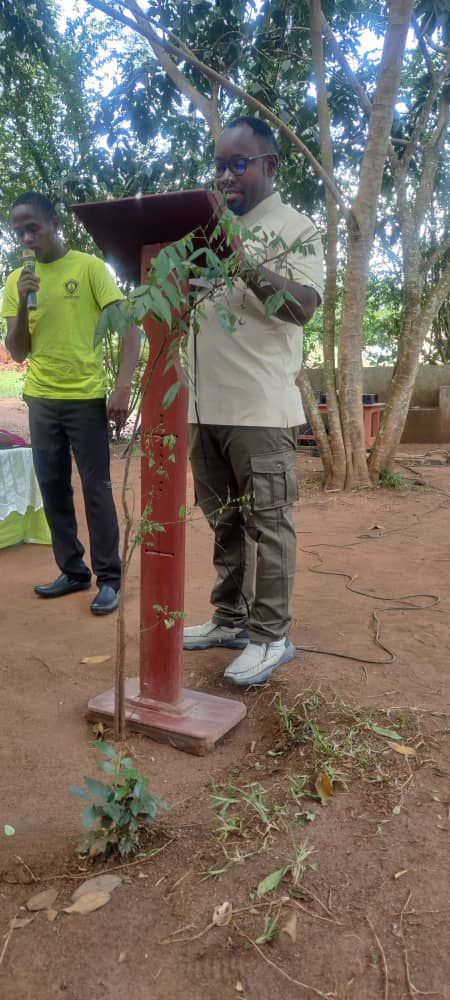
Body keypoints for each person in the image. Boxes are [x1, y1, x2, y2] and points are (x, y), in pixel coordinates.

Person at [184, 116, 323, 685]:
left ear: (269, 166)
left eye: (237, 164)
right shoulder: (201, 230)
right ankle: (229, 619)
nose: (225, 176)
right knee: (224, 523)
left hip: (260, 411)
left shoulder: (296, 227)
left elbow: (303, 305)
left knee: (268, 524)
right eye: (218, 165)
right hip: (203, 407)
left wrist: (237, 254)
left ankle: (272, 636)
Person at [2, 191, 141, 615]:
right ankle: (73, 570)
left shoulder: (89, 267)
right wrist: (25, 306)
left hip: (85, 399)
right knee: (53, 489)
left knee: (97, 491)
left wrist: (121, 386)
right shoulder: (14, 281)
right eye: (18, 230)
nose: (26, 237)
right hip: (42, 400)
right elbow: (18, 350)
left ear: (55, 224)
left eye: (33, 227)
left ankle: (110, 578)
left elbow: (129, 327)